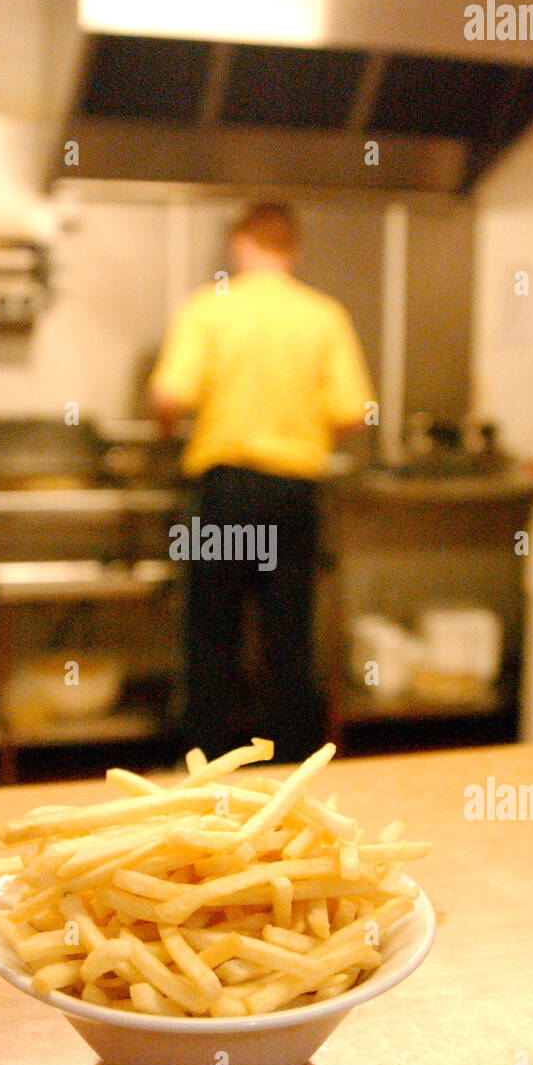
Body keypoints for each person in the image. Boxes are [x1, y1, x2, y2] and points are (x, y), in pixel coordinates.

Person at [149, 200, 375, 763]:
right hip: (291, 496)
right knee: (288, 639)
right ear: (293, 249)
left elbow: (168, 396)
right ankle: (289, 772)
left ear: (240, 244)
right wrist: (305, 427)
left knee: (209, 636)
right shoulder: (323, 315)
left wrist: (170, 430)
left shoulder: (209, 308)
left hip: (225, 494)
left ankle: (200, 770)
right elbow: (355, 413)